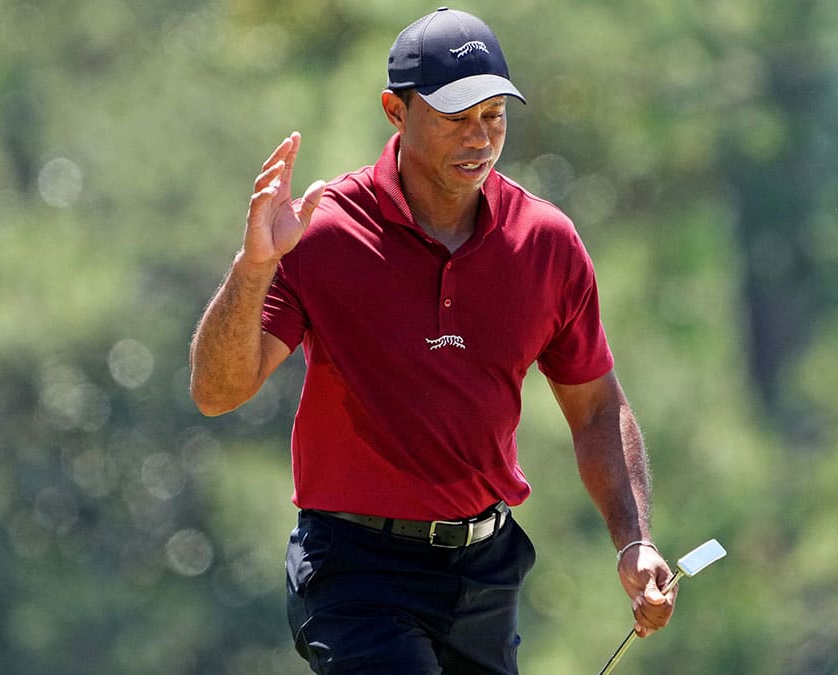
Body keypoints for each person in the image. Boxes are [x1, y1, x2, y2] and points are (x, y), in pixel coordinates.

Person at [189, 7, 676, 673]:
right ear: (396, 110)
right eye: (455, 116)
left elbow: (596, 408)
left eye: (493, 115)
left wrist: (633, 541)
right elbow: (217, 392)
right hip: (355, 570)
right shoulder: (322, 233)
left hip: (483, 571)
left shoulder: (546, 243)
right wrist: (254, 268)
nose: (479, 137)